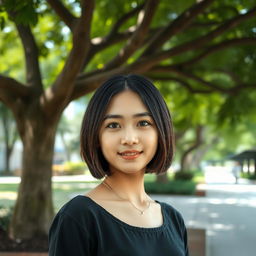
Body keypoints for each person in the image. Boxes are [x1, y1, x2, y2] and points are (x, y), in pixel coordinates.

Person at [49, 74, 189, 256]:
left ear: (160, 132)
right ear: (96, 136)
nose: (129, 139)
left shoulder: (173, 219)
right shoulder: (79, 218)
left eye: (143, 123)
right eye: (113, 125)